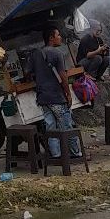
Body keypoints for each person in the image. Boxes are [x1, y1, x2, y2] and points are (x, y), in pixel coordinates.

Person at [32, 27, 83, 159]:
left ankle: (56, 155)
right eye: (58, 35)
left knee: (51, 127)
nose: (60, 37)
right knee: (67, 125)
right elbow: (63, 76)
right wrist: (68, 93)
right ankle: (75, 152)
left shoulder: (37, 54)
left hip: (43, 97)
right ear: (51, 37)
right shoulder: (56, 53)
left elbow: (29, 73)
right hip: (56, 96)